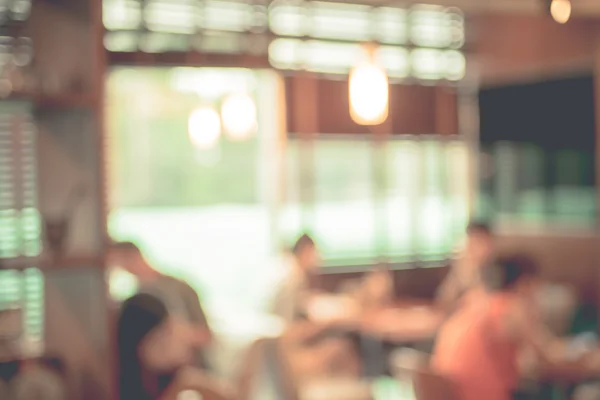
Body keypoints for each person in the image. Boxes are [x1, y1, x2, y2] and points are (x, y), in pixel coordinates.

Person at [432, 254, 578, 400]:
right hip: (484, 394)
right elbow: (545, 356)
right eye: (537, 283)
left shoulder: (474, 299)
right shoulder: (513, 307)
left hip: (450, 393)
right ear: (525, 283)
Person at [109, 241, 213, 371]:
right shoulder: (136, 302)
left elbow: (206, 335)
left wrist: (179, 334)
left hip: (190, 373)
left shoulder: (179, 288)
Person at [270, 234, 361, 381]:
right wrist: (324, 324)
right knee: (343, 351)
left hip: (279, 348)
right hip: (284, 354)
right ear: (305, 251)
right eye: (315, 253)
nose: (317, 259)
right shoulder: (292, 278)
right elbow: (288, 332)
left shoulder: (288, 271)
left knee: (339, 346)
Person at [117, 293, 233, 400]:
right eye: (160, 344)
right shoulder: (132, 384)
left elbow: (231, 395)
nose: (179, 336)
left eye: (169, 330)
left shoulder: (183, 376)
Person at [436, 221, 495, 313]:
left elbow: (487, 302)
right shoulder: (463, 265)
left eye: (478, 242)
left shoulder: (497, 269)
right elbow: (444, 299)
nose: (472, 247)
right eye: (470, 242)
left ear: (489, 244)